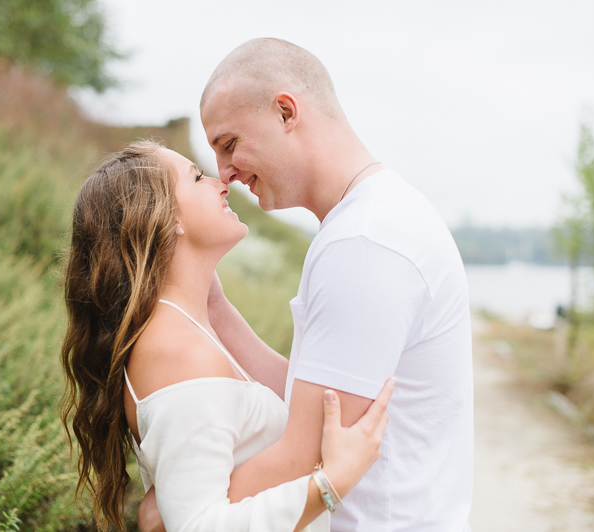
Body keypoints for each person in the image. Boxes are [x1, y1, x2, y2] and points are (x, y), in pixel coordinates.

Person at [138, 38, 473, 531]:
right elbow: (312, 398)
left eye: (229, 143)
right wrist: (217, 310)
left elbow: (304, 454)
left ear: (286, 112)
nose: (225, 173)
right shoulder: (366, 223)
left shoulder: (365, 243)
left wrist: (168, 511)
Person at [59, 140, 395, 532]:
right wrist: (330, 484)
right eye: (197, 177)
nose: (221, 183)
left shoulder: (185, 333)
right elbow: (200, 526)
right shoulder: (179, 352)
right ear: (167, 219)